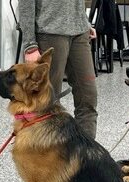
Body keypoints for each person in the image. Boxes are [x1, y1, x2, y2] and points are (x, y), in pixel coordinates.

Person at [19, 0, 99, 139]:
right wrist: (29, 44)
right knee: (48, 103)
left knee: (88, 97)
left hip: (79, 32)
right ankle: (48, 155)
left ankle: (86, 155)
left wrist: (85, 22)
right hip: (49, 32)